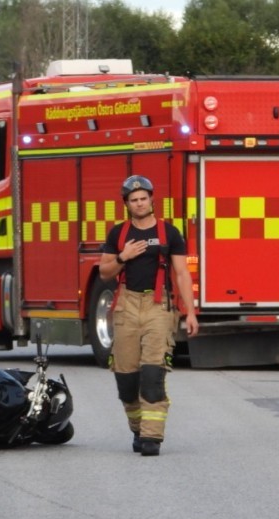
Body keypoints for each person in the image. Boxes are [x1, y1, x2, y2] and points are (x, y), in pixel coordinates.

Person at [98, 174, 199, 457]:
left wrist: (190, 312)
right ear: (127, 204)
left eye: (144, 198)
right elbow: (104, 272)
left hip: (158, 306)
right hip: (126, 306)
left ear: (152, 199)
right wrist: (123, 257)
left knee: (153, 374)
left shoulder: (170, 233)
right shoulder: (118, 234)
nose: (140, 203)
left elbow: (181, 273)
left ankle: (152, 438)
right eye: (134, 200)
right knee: (126, 379)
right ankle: (138, 428)